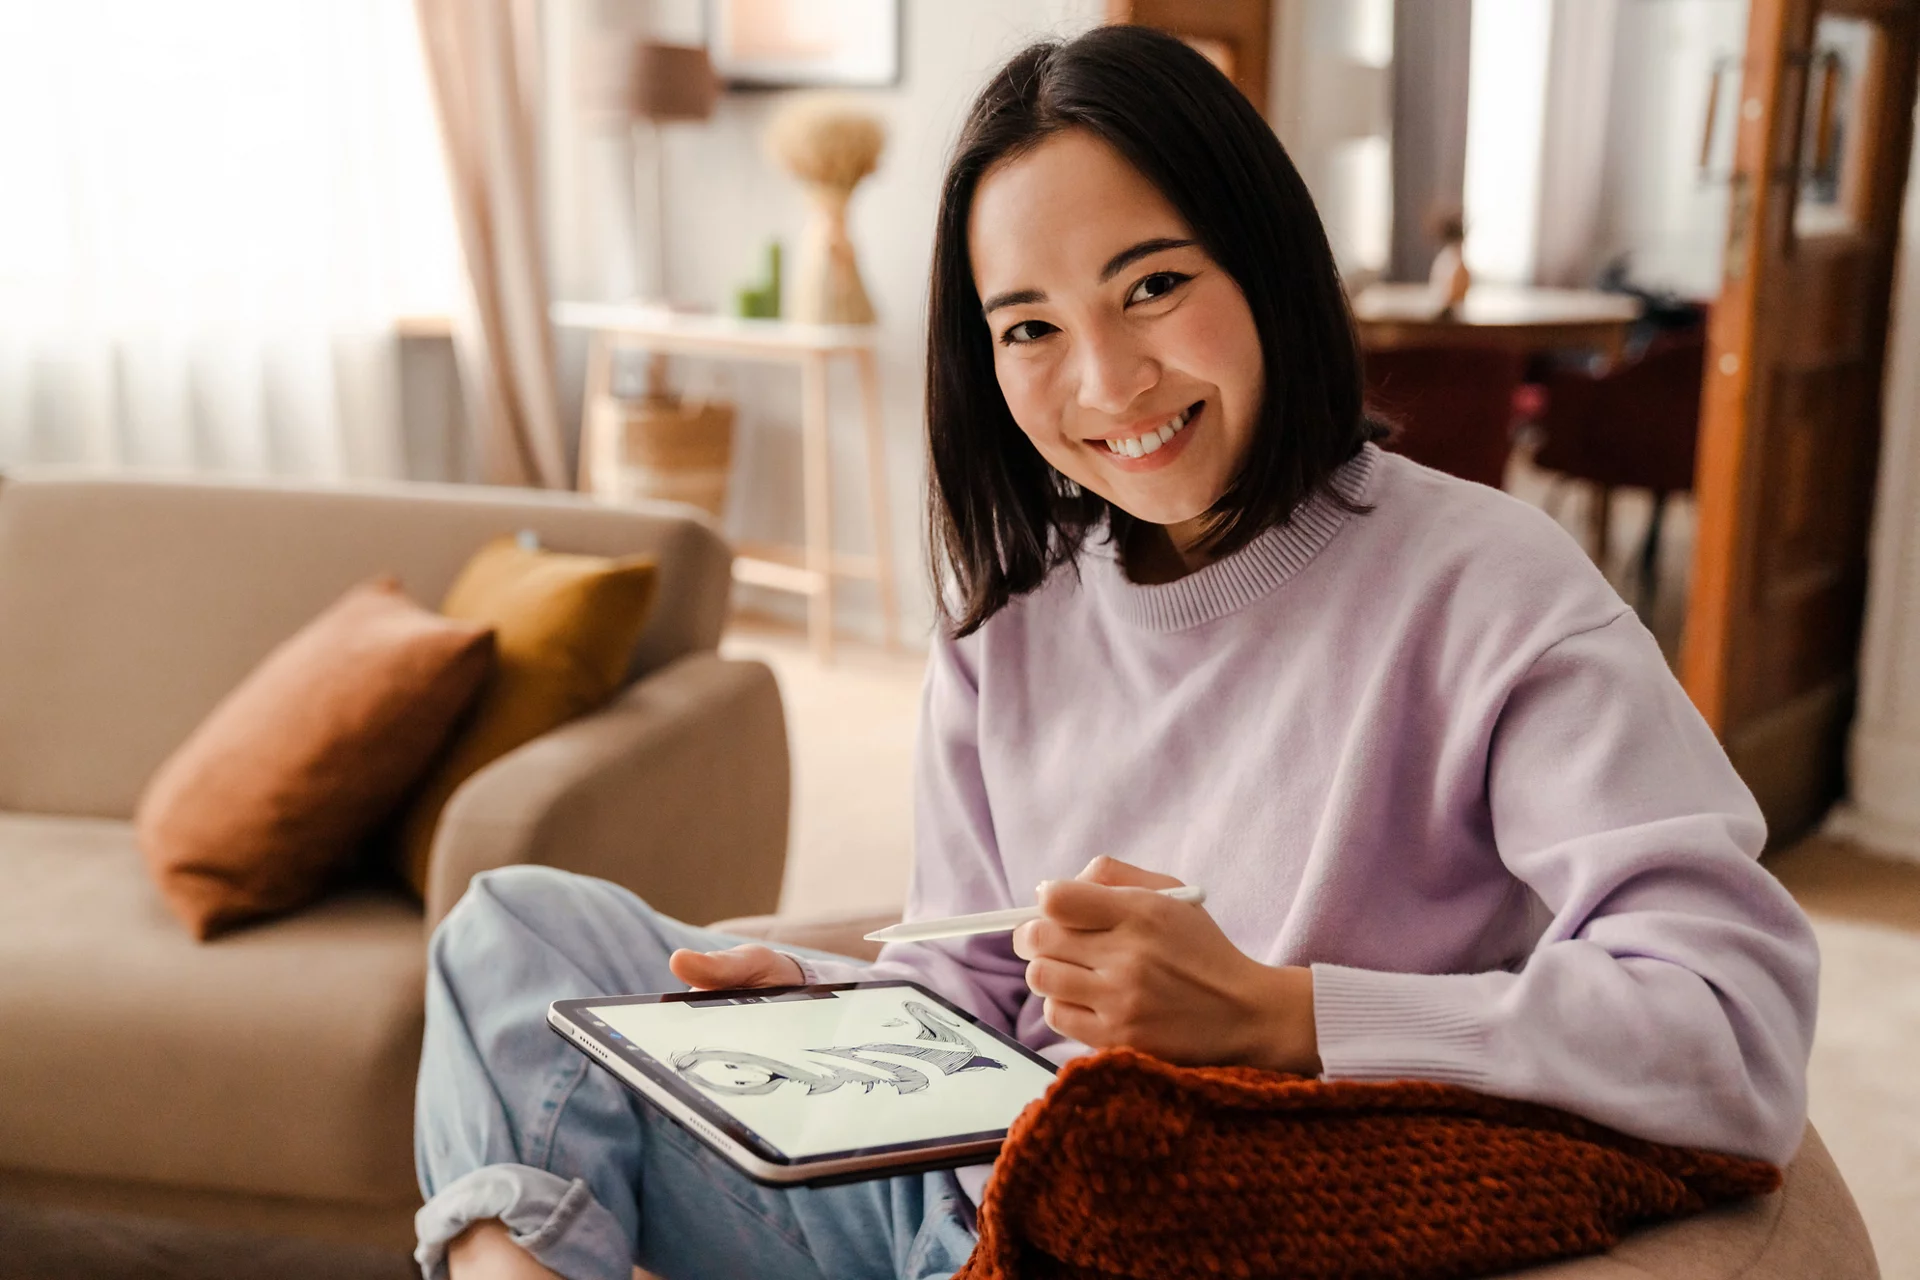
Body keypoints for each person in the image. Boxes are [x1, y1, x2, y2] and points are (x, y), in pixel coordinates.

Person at [412, 25, 1818, 1280]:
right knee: (516, 931)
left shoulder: (1495, 591)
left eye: (1150, 287)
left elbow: (1732, 1030)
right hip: (938, 1202)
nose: (1105, 384)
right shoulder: (1005, 626)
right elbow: (964, 996)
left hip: (1185, 1225)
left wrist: (1276, 1014)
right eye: (1031, 327)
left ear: (1263, 262)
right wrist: (819, 1017)